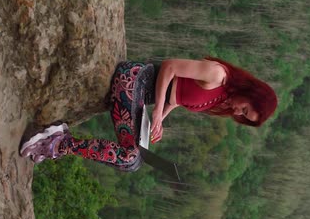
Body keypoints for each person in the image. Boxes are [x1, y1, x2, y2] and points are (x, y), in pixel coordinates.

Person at [19, 57, 278, 171]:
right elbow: (170, 67)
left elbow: (180, 97)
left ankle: (60, 141)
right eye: (245, 109)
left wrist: (161, 117)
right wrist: (155, 113)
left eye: (243, 116)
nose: (238, 112)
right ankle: (58, 141)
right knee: (130, 157)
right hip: (134, 80)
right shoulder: (218, 76)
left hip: (142, 98)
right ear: (251, 92)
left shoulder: (222, 98)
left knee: (133, 160)